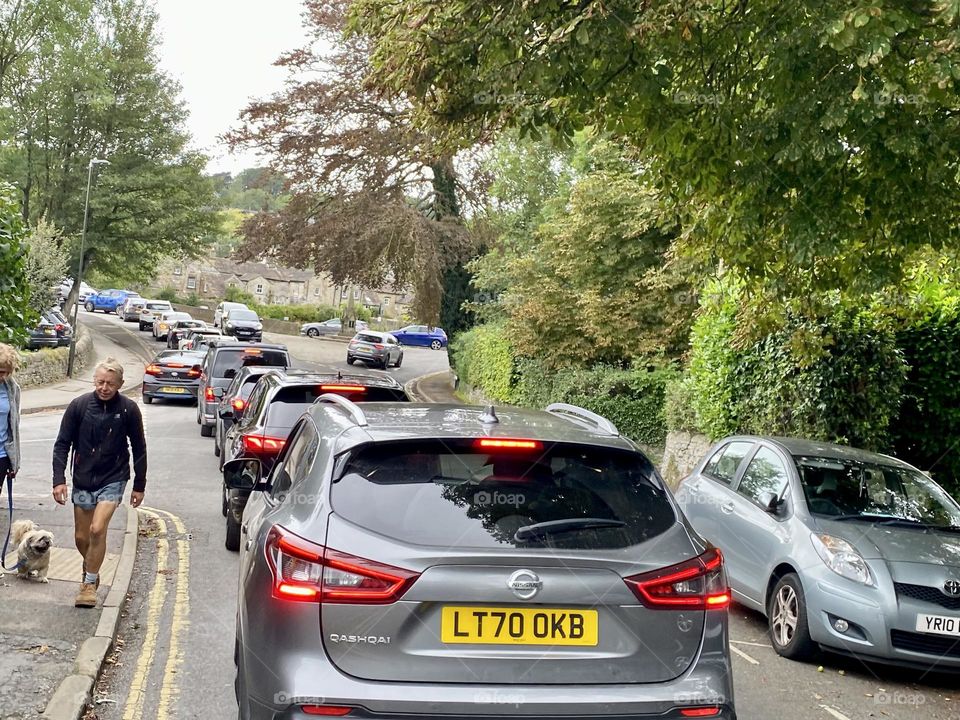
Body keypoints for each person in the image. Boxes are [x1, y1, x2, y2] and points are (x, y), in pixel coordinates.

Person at [52, 358, 146, 608]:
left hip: (114, 477)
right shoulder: (79, 406)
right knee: (81, 537)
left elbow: (139, 447)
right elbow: (62, 444)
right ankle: (91, 567)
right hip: (83, 477)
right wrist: (59, 480)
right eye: (101, 382)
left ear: (121, 384)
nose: (105, 388)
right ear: (94, 380)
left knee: (97, 529)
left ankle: (89, 584)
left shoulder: (128, 409)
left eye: (111, 384)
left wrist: (139, 485)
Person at [0, 344, 22, 570]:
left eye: (6, 372)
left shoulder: (12, 388)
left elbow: (14, 426)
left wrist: (14, 460)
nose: (2, 376)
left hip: (1, 456)